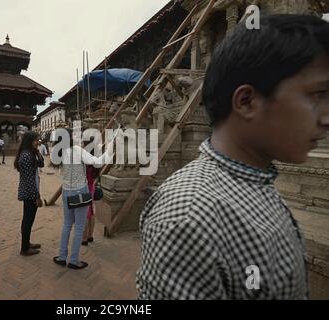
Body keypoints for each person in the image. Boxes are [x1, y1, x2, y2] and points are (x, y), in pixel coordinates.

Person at [137, 14, 329, 300]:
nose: (326, 117)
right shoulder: (187, 217)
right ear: (247, 101)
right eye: (317, 94)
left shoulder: (256, 181)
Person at [52, 128, 113, 269]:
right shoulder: (77, 150)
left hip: (66, 191)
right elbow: (97, 162)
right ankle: (73, 260)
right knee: (79, 227)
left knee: (67, 225)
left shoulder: (59, 152)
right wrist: (110, 148)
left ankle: (62, 256)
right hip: (80, 191)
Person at [15, 131, 44, 256]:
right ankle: (24, 248)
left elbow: (41, 164)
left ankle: (27, 243)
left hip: (31, 191)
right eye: (36, 140)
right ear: (29, 141)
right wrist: (36, 196)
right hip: (29, 192)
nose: (38, 142)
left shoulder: (30, 154)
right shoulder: (26, 156)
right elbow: (29, 179)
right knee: (27, 220)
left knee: (29, 219)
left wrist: (38, 152)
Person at [82, 165, 99, 246]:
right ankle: (90, 235)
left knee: (84, 214)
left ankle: (84, 239)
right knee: (91, 212)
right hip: (91, 188)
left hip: (84, 189)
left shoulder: (85, 164)